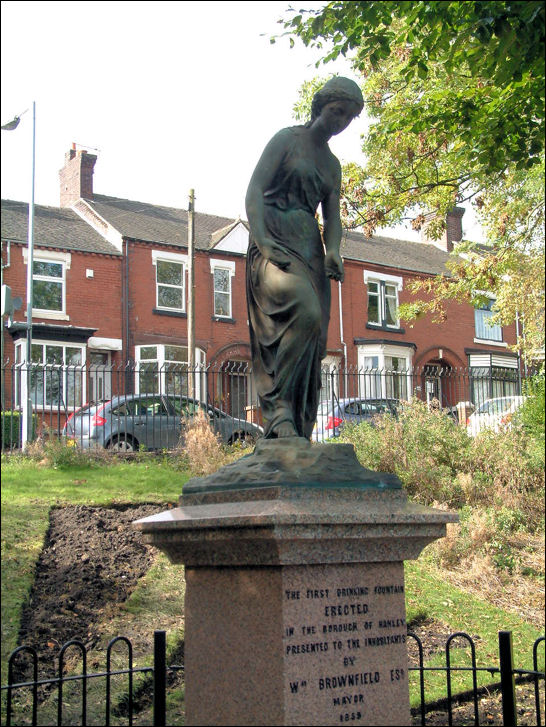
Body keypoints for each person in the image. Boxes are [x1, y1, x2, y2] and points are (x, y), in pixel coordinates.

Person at [245, 76, 364, 439]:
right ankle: (279, 411)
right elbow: (253, 190)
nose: (339, 121)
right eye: (336, 111)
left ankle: (297, 426)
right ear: (320, 107)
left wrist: (335, 252)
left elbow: (333, 219)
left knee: (314, 334)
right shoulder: (286, 140)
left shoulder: (332, 165)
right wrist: (263, 242)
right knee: (305, 311)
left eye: (347, 118)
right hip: (274, 238)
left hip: (310, 249)